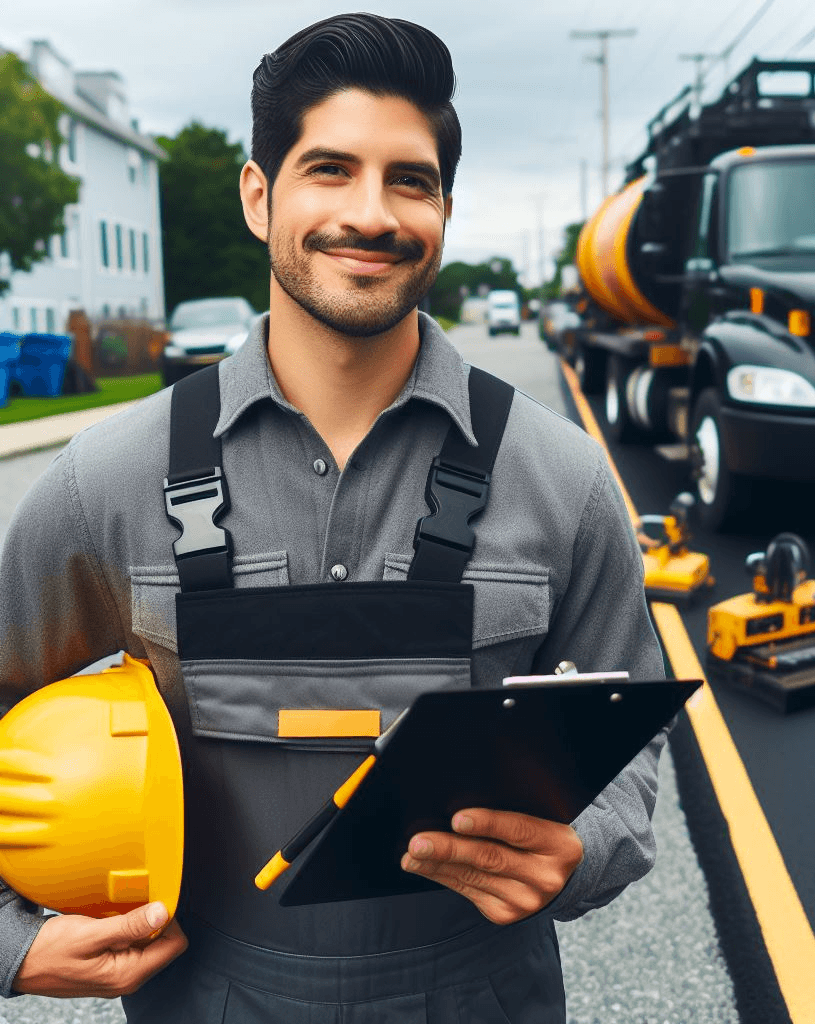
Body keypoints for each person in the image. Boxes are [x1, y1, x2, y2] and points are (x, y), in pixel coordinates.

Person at [0, 13, 666, 1021]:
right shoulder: (108, 479)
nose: (373, 213)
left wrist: (581, 855)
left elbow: (634, 741)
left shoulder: (563, 479)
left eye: (410, 179)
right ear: (259, 196)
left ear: (444, 207)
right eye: (330, 170)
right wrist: (12, 942)